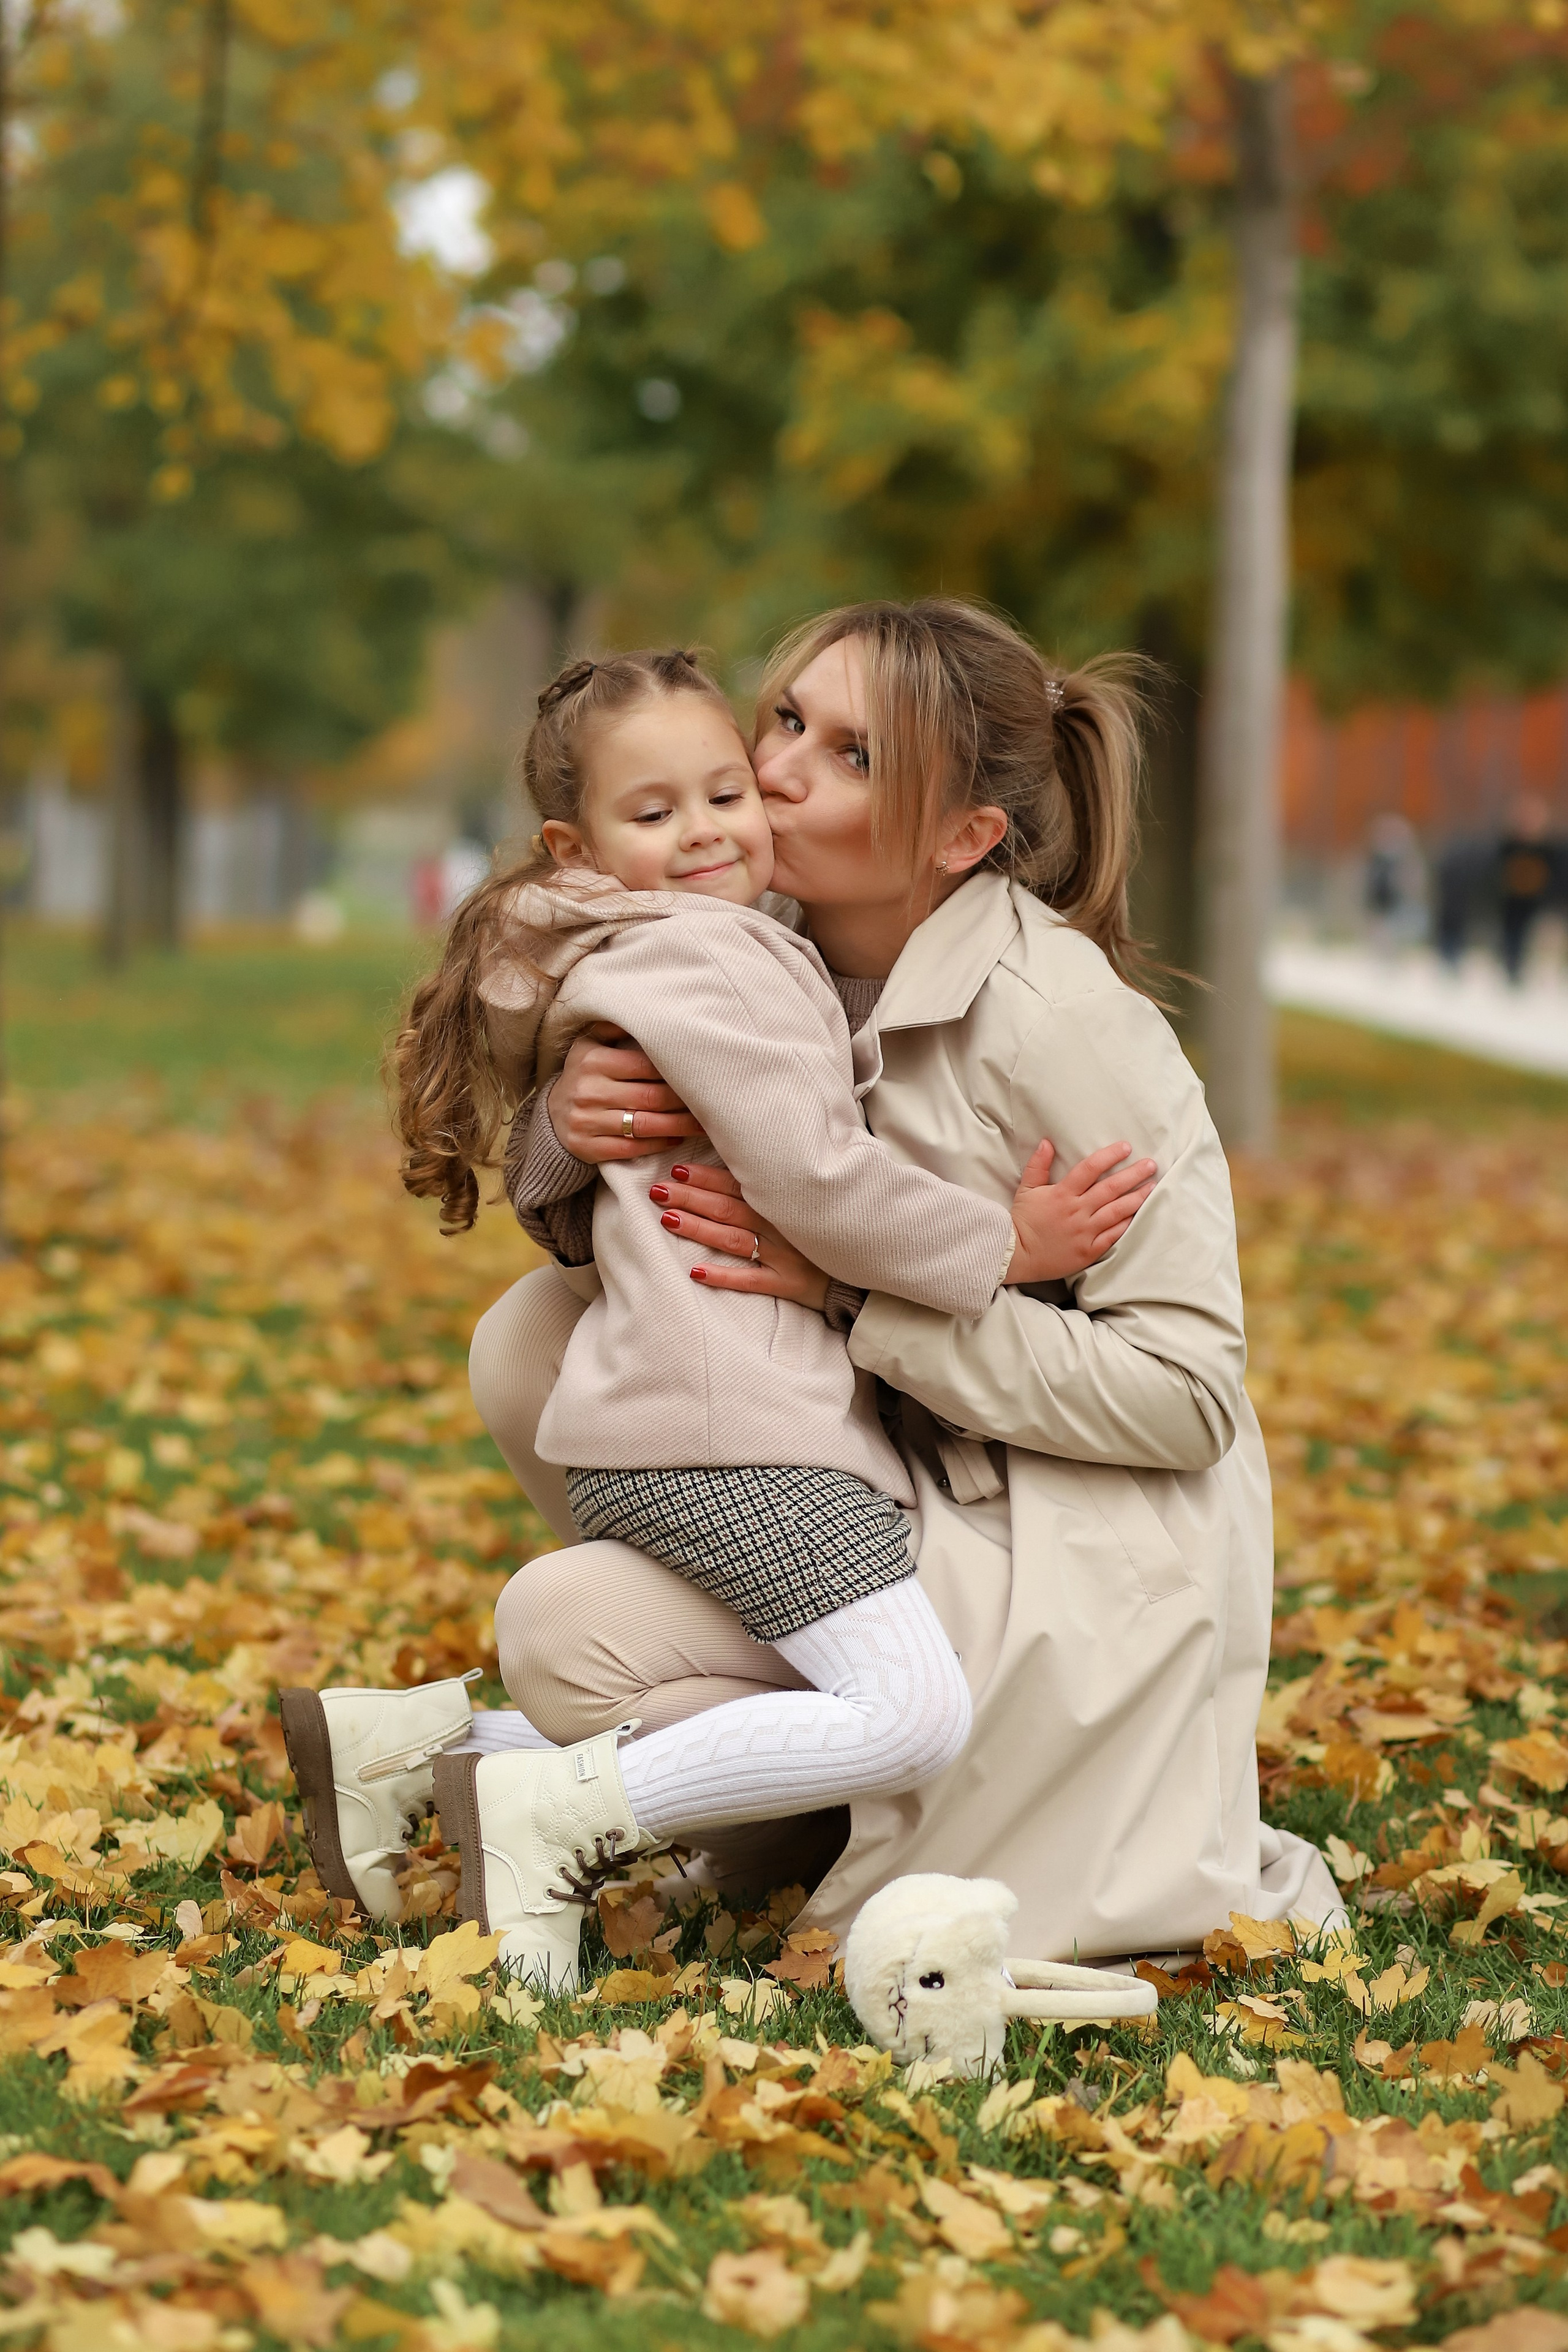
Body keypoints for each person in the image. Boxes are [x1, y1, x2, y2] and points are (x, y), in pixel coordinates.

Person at [464, 598, 1344, 1962]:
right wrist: (568, 1126)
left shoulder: (1063, 1028)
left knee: (565, 1631)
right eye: (787, 719)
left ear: (959, 838)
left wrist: (852, 1302)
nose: (774, 772)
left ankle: (627, 1781)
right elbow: (663, 1240)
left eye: (852, 757)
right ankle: (773, 1792)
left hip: (1058, 1539)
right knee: (533, 1341)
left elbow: (1184, 1400)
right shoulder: (765, 946)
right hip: (881, 1469)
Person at [282, 644, 1153, 1980]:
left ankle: (432, 1760)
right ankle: (549, 1812)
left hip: (686, 1430)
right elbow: (816, 1176)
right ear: (580, 850)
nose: (705, 831)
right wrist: (1004, 1242)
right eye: (654, 814)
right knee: (912, 1715)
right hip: (739, 1439)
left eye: (726, 794)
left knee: (863, 1686)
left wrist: (564, 1139)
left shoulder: (682, 944)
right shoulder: (718, 962)